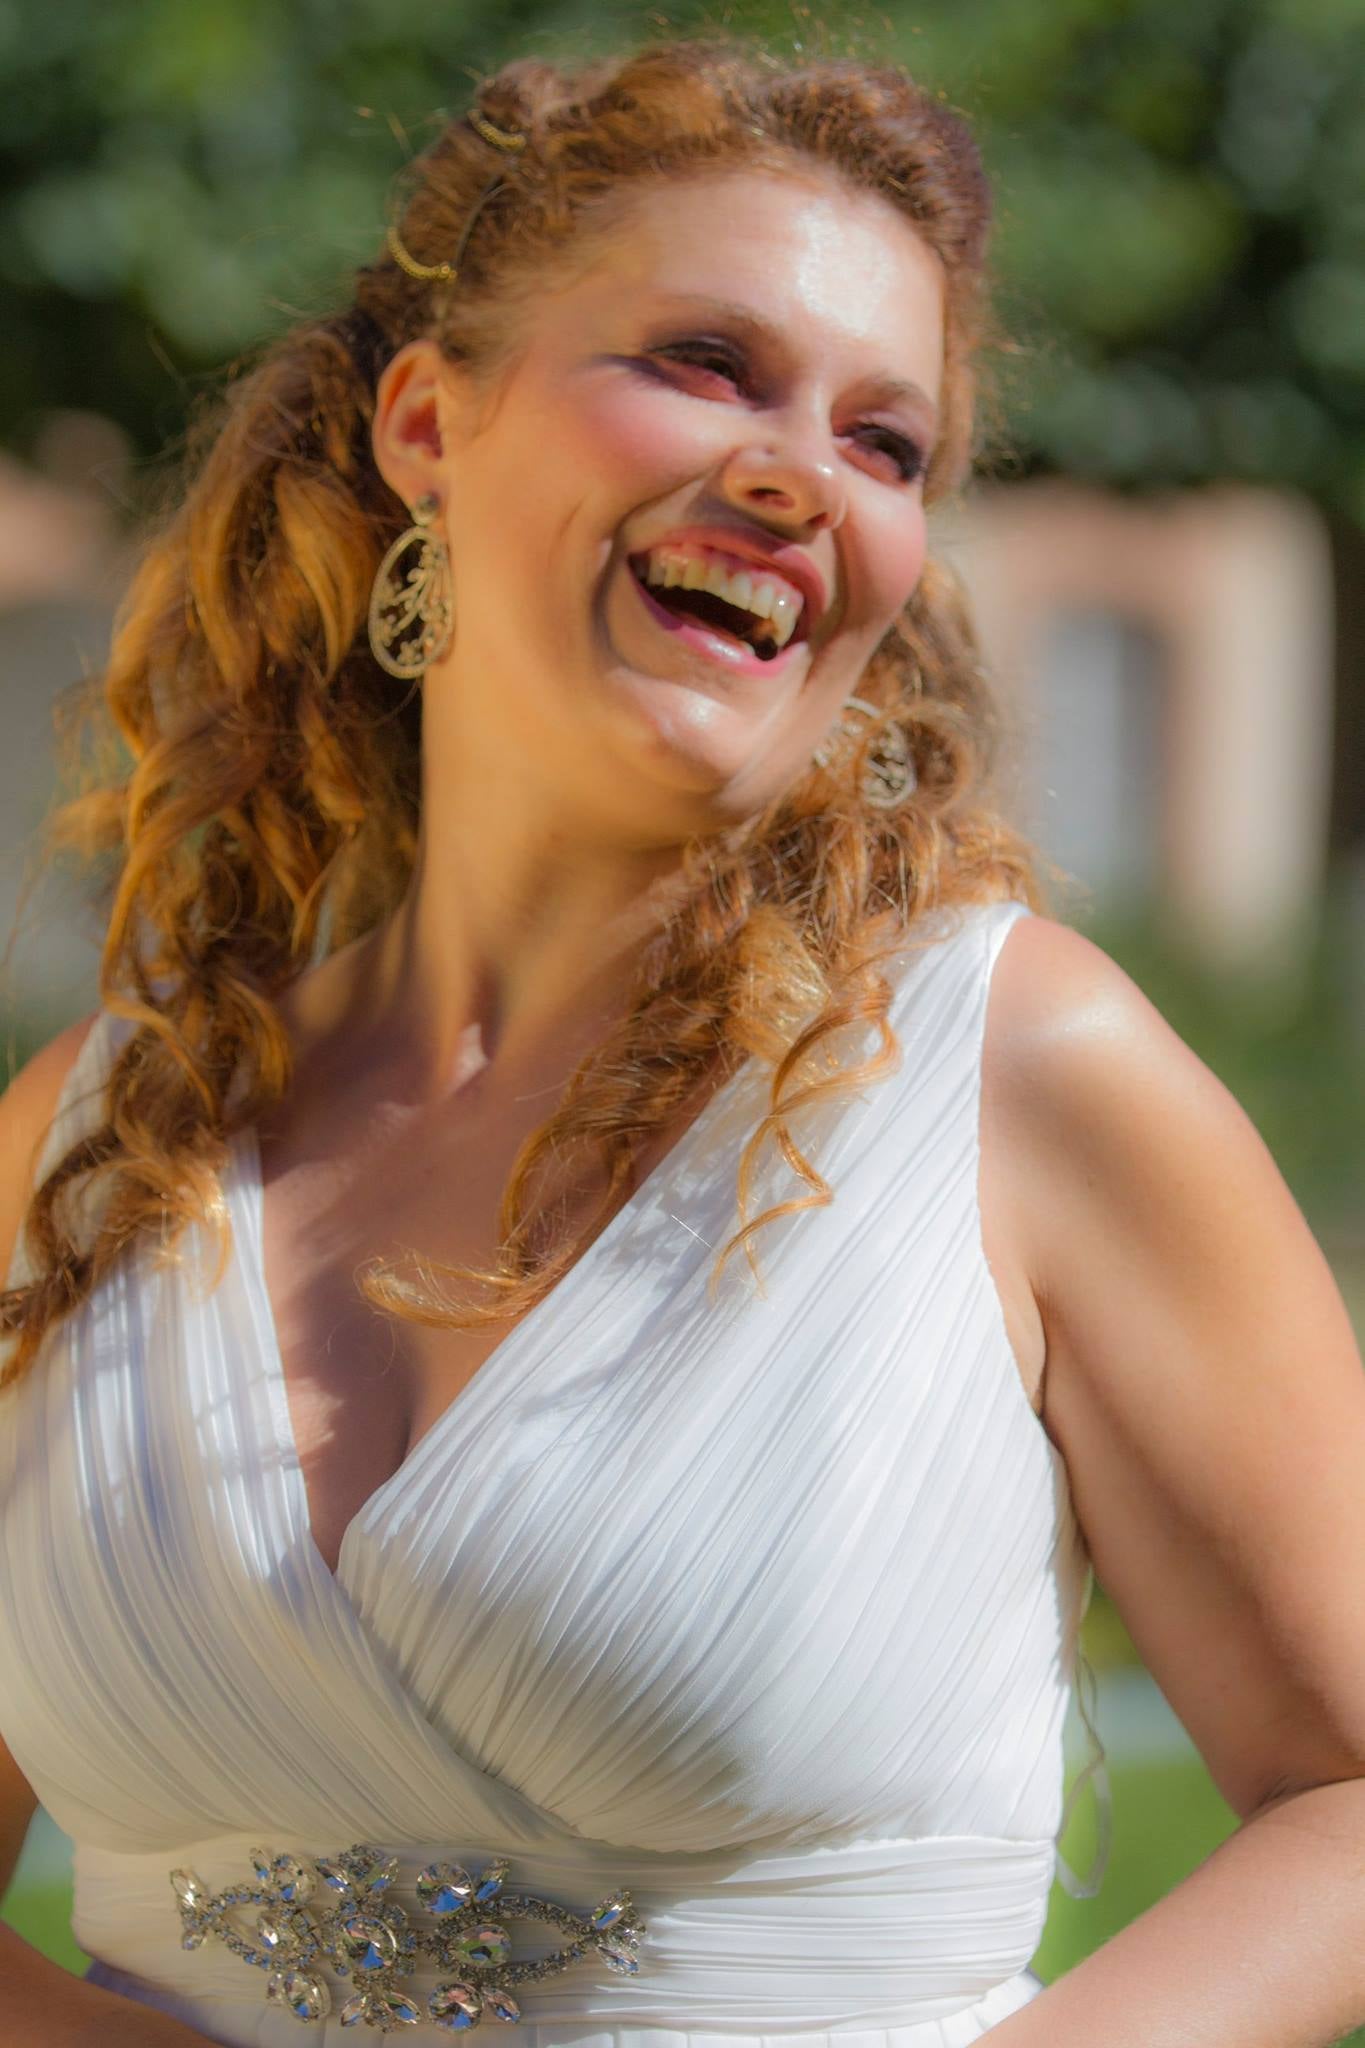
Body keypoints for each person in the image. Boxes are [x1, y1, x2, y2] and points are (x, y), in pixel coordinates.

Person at [2, 31, 1364, 2048]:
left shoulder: (1013, 1072)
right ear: (425, 425)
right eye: (707, 363)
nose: (799, 474)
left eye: (885, 443)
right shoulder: (97, 1137)